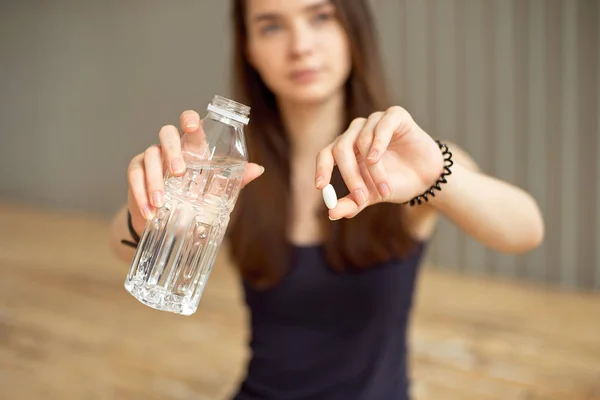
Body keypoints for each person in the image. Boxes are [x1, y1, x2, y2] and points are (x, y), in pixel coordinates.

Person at [109, 0, 545, 398]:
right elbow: (119, 245)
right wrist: (148, 212)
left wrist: (439, 175)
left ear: (354, 30)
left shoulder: (414, 164)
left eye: (320, 16)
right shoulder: (234, 172)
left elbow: (525, 229)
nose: (300, 46)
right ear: (250, 50)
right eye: (271, 26)